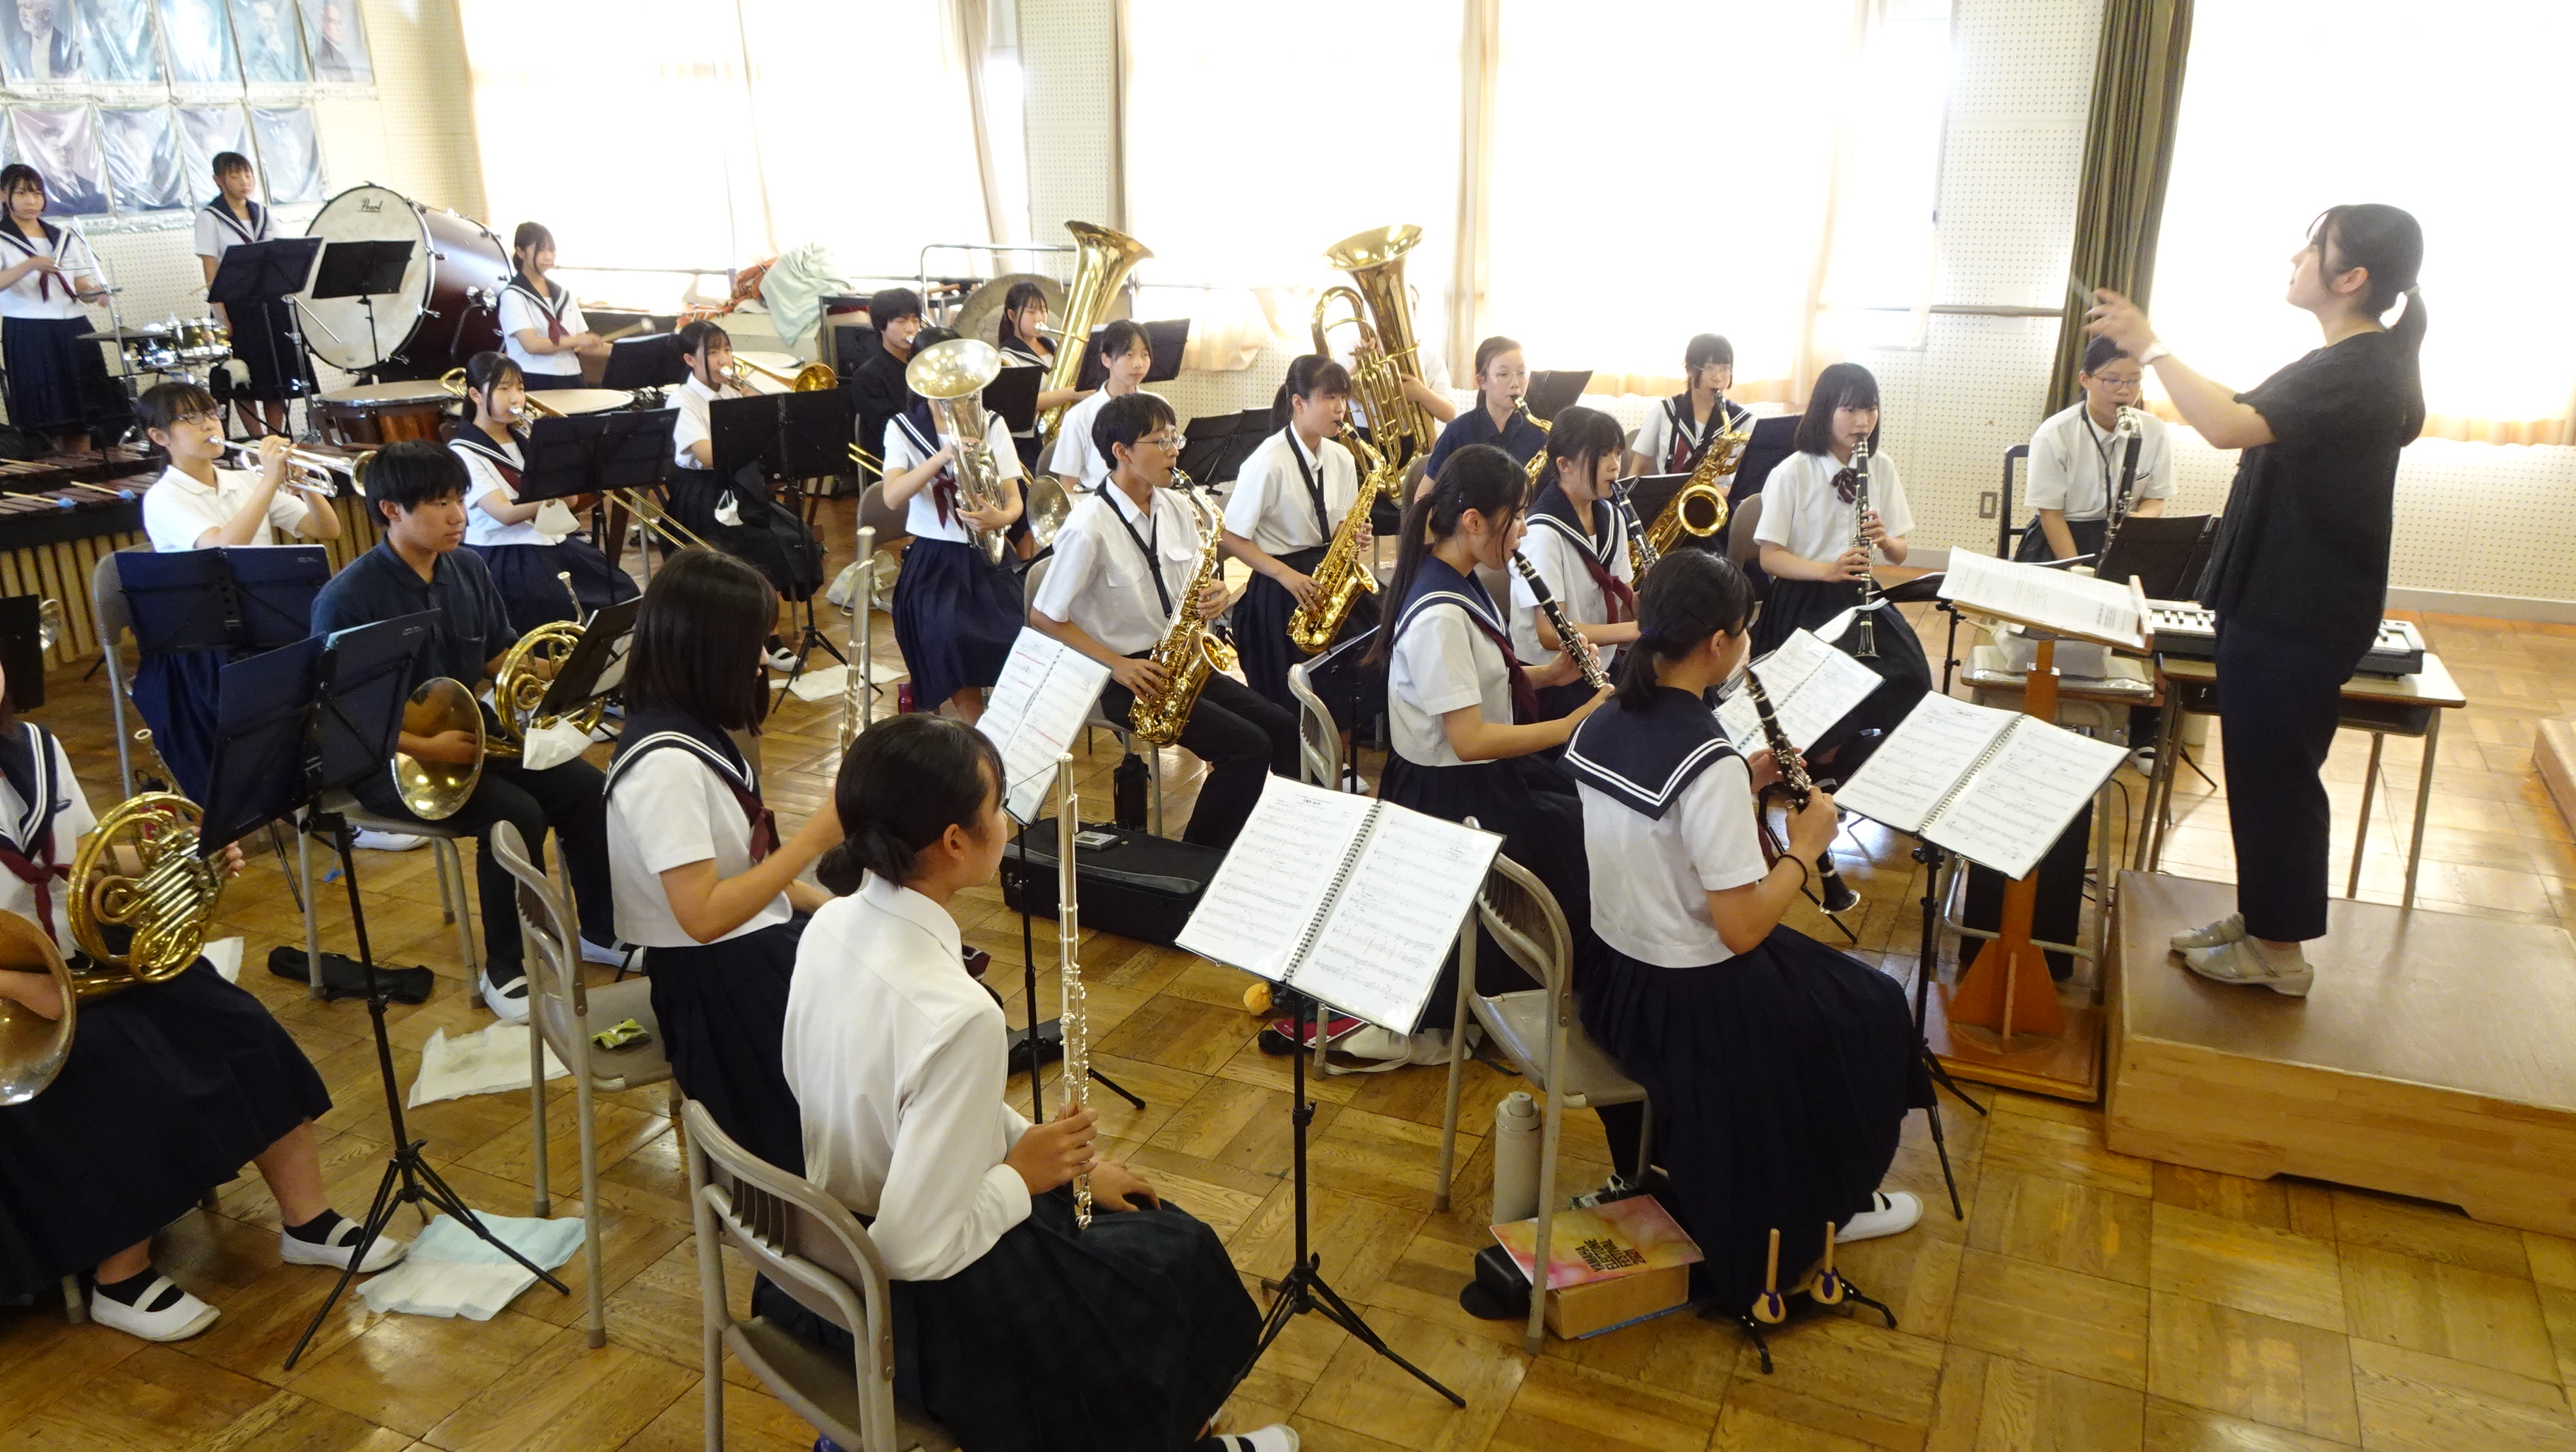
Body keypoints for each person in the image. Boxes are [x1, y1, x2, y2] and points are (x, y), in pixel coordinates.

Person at [781, 713, 1285, 1452]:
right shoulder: (960, 1014)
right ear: (955, 842)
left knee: (1147, 1238)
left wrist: (1059, 1158)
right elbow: (914, 1249)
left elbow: (912, 1108)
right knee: (1173, 1255)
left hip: (824, 1247)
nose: (1009, 823)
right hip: (913, 1301)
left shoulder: (828, 926)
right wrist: (1023, 1175)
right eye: (997, 807)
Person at [1563, 549, 1924, 1312]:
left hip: (1615, 978)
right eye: (1745, 631)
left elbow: (1659, 834)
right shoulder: (1706, 760)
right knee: (1870, 1007)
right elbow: (1742, 929)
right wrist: (1806, 848)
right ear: (1718, 644)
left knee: (1837, 997)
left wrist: (1746, 781)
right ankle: (1829, 1204)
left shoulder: (1605, 716)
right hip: (1690, 1005)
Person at [2087, 205, 2428, 996]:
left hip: (2299, 611)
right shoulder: (2343, 359)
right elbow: (2241, 406)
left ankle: (2280, 952)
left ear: (2352, 278)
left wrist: (2151, 347)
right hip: (2279, 604)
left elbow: (2226, 426)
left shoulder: (2359, 368)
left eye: (2314, 249)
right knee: (2263, 772)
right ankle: (2264, 920)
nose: (2296, 258)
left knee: (2278, 780)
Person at [0, 678, 404, 1344]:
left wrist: (182, 853)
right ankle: (119, 1278)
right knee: (112, 1066)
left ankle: (307, 1222)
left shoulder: (36, 748)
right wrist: (22, 987)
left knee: (236, 1022)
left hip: (80, 960)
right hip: (15, 992)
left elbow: (85, 862)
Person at [310, 441, 622, 1018]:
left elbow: (496, 657)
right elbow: (343, 713)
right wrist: (426, 745)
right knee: (513, 814)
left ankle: (601, 930)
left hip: (465, 733)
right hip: (387, 758)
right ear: (391, 510)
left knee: (584, 786)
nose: (458, 516)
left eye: (458, 499)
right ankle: (505, 968)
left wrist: (569, 669)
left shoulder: (468, 568)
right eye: (439, 503)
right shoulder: (347, 599)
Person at [604, 548, 839, 1172]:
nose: (762, 660)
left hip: (742, 951)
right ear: (706, 651)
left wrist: (836, 912)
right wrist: (816, 838)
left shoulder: (690, 727)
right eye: (751, 644)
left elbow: (746, 870)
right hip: (716, 990)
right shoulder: (665, 767)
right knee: (881, 1030)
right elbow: (704, 916)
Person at [1370, 444, 1604, 1061]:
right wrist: (1571, 722)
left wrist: (1549, 675)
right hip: (1451, 793)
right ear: (1472, 521)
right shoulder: (1439, 613)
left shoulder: (1457, 575)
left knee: (1583, 808)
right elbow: (1469, 738)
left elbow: (1481, 677)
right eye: (1516, 516)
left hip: (1474, 776)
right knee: (1579, 838)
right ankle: (1549, 995)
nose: (1524, 530)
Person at [1030, 391, 1297, 849]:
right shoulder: (1088, 526)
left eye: (1175, 438)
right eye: (1161, 441)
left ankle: (1285, 837)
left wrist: (1216, 593)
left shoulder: (1175, 506)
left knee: (1283, 726)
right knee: (1246, 748)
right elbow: (1044, 616)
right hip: (1126, 678)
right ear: (1122, 452)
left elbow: (1193, 579)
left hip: (1178, 662)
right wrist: (1118, 665)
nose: (1175, 451)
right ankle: (1197, 861)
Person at [1751, 362, 1931, 756]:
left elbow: (1900, 553)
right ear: (1824, 410)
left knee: (1909, 672)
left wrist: (1886, 539)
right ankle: (1823, 764)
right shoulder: (1792, 473)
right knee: (1830, 687)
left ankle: (1867, 758)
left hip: (1860, 594)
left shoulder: (1881, 467)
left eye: (1870, 409)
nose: (1862, 421)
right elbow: (1770, 558)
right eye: (1849, 410)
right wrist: (1827, 571)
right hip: (1803, 596)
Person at [879, 329, 1028, 723]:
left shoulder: (991, 423)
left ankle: (1007, 723)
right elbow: (892, 496)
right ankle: (977, 727)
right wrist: (943, 456)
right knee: (949, 634)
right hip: (933, 560)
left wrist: (1001, 518)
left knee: (1021, 633)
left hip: (988, 555)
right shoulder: (901, 428)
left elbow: (1014, 499)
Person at [1220, 355, 1374, 715]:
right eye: (1329, 398)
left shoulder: (1342, 458)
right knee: (1301, 696)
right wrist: (1285, 575)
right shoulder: (1267, 462)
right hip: (1280, 584)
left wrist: (1352, 535)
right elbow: (1229, 537)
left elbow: (1337, 523)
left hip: (1326, 578)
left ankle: (1346, 741)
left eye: (1343, 398)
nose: (1340, 408)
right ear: (1299, 403)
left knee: (1372, 655)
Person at [666, 319, 823, 665]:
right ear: (690, 360)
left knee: (795, 535)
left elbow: (765, 447)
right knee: (758, 545)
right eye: (713, 352)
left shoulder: (731, 391)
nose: (724, 359)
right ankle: (764, 638)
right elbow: (708, 456)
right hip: (704, 495)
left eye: (727, 349)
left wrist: (759, 411)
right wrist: (751, 421)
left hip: (742, 487)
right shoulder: (682, 400)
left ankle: (765, 628)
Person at [450, 350, 639, 628]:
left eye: (520, 388)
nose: (516, 398)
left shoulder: (525, 438)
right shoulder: (463, 451)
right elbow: (504, 513)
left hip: (547, 542)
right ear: (476, 395)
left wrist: (571, 475)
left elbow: (569, 502)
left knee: (623, 593)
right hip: (504, 553)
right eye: (504, 389)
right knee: (564, 610)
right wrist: (554, 495)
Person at [1510, 405, 1636, 722]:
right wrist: (1638, 630)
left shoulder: (1613, 516)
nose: (1615, 465)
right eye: (1602, 455)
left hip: (1602, 663)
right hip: (1553, 680)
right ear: (1564, 464)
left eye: (1617, 453)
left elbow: (1624, 602)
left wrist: (1663, 601)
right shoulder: (1541, 534)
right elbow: (1550, 633)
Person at [2017, 335, 2172, 563]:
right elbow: (2051, 514)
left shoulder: (2153, 429)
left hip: (2123, 539)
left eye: (2134, 380)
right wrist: (2076, 569)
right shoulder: (2054, 432)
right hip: (2062, 536)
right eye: (2112, 380)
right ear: (2085, 379)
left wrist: (2139, 523)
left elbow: (2155, 498)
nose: (2125, 391)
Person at [138, 380, 336, 552]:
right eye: (191, 417)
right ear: (160, 437)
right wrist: (269, 481)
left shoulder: (247, 481)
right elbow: (223, 548)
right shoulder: (162, 498)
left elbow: (327, 530)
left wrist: (303, 483)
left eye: (212, 414)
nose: (209, 425)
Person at [0, 164, 117, 456]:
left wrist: (94, 294)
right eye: (22, 193)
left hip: (74, 326)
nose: (31, 201)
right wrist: (30, 265)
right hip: (30, 330)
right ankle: (56, 474)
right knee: (47, 418)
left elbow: (80, 285)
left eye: (37, 193)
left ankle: (86, 469)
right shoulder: (2, 236)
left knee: (84, 413)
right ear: (3, 196)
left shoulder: (61, 236)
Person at [192, 152, 305, 438]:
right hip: (235, 307)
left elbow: (279, 255)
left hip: (270, 305)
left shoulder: (262, 213)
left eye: (248, 174)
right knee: (244, 379)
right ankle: (257, 439)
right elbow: (211, 272)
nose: (245, 182)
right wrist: (221, 319)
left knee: (275, 378)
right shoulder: (209, 217)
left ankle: (276, 437)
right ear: (219, 180)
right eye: (235, 176)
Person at [1045, 318, 1156, 496]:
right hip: (1100, 503)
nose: (1139, 364)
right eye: (1129, 355)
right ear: (1106, 360)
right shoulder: (1079, 416)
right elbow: (1067, 486)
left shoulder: (1158, 407)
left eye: (1145, 355)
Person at [498, 222, 607, 391]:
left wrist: (620, 349)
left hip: (572, 376)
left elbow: (580, 343)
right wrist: (578, 340)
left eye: (552, 250)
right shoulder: (513, 295)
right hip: (532, 378)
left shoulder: (564, 294)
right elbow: (532, 345)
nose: (549, 257)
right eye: (541, 250)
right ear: (520, 252)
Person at [1627, 333, 1753, 479]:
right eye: (1710, 368)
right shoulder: (1666, 411)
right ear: (1690, 369)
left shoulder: (1744, 421)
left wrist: (1724, 490)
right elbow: (1637, 470)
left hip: (1719, 493)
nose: (1718, 378)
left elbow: (1752, 479)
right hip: (1669, 493)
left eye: (1725, 369)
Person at [1421, 335, 1546, 480]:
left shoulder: (1538, 434)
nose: (1515, 384)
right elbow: (1425, 491)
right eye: (1503, 374)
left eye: (1522, 373)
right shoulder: (1458, 431)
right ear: (1482, 381)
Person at [994, 280, 1083, 470]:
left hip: (1064, 435)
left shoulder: (1054, 346)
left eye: (1043, 311)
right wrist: (1073, 393)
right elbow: (1026, 403)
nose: (1040, 318)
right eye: (1031, 312)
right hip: (1029, 447)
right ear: (1012, 315)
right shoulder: (1006, 360)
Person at [852, 287, 926, 486]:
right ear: (881, 325)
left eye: (915, 321)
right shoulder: (867, 376)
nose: (911, 329)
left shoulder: (925, 366)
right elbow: (889, 429)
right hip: (898, 466)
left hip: (931, 453)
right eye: (901, 321)